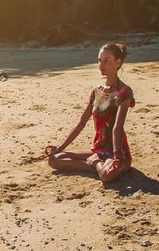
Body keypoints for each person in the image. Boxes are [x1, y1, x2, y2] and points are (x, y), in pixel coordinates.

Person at [44, 43, 135, 183]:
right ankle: (96, 164)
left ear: (118, 63)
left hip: (116, 152)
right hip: (97, 150)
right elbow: (81, 122)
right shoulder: (96, 92)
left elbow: (118, 127)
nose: (101, 65)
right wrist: (60, 147)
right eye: (99, 60)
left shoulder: (124, 92)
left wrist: (117, 156)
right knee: (54, 160)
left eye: (107, 61)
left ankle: (96, 164)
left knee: (106, 176)